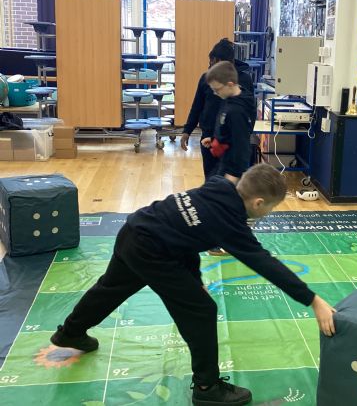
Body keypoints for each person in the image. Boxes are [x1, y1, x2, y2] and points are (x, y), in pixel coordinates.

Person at [49, 163, 336, 406]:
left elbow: (187, 232)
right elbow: (265, 263)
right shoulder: (230, 223)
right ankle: (207, 388)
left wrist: (195, 280)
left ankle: (70, 333)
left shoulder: (219, 185)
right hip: (152, 251)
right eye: (270, 208)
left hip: (135, 230)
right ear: (258, 203)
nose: (269, 214)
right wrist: (313, 300)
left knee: (110, 289)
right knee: (201, 310)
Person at [181, 38, 255, 180]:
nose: (210, 67)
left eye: (213, 63)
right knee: (211, 180)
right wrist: (187, 131)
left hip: (231, 146)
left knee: (225, 184)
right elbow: (197, 106)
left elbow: (249, 116)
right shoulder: (207, 79)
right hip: (211, 139)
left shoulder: (243, 84)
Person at [204, 60, 256, 184]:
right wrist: (216, 138)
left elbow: (242, 146)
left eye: (217, 89)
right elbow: (228, 129)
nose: (215, 93)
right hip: (224, 161)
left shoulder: (237, 112)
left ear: (230, 84)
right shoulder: (229, 97)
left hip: (232, 170)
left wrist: (234, 175)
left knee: (214, 194)